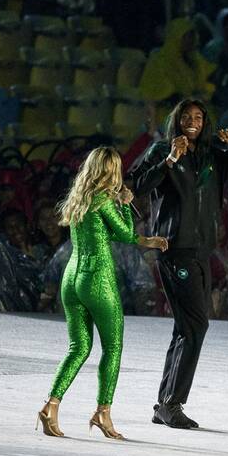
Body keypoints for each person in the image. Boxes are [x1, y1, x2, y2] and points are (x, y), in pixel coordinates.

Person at [128, 99, 228, 429]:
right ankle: (172, 403)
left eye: (198, 117)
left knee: (186, 327)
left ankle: (164, 404)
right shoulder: (161, 150)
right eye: (186, 117)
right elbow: (136, 186)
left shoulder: (212, 154)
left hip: (202, 250)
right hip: (175, 249)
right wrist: (170, 160)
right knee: (196, 325)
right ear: (176, 120)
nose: (192, 121)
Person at [38, 147, 168, 440]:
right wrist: (125, 203)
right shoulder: (105, 199)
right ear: (112, 170)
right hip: (97, 279)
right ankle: (103, 412)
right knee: (112, 348)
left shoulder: (80, 198)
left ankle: (50, 406)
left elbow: (103, 232)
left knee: (79, 348)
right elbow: (123, 233)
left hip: (71, 278)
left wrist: (145, 238)